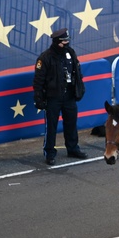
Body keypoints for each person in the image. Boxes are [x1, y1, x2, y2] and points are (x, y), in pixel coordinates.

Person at [33, 28, 87, 165]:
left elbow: (77, 72)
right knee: (51, 127)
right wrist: (39, 99)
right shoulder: (45, 58)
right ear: (57, 42)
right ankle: (49, 153)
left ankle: (73, 148)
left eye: (67, 41)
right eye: (63, 42)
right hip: (53, 97)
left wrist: (79, 89)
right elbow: (38, 80)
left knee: (71, 124)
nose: (66, 44)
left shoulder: (70, 53)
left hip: (69, 95)